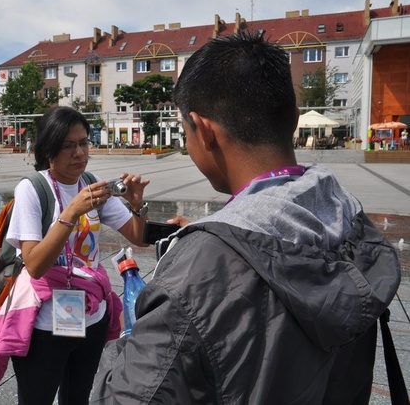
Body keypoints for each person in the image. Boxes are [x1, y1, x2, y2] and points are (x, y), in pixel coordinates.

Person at [90, 32, 401, 404]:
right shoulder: (345, 211)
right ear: (294, 121)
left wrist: (131, 333)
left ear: (203, 130)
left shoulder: (195, 274)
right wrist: (220, 240)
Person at [0, 106, 150, 405]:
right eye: (68, 145)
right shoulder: (33, 189)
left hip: (93, 316)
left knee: (77, 399)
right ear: (49, 150)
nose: (79, 153)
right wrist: (72, 211)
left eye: (84, 143)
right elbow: (34, 264)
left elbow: (136, 236)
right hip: (45, 324)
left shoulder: (90, 183)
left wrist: (137, 205)